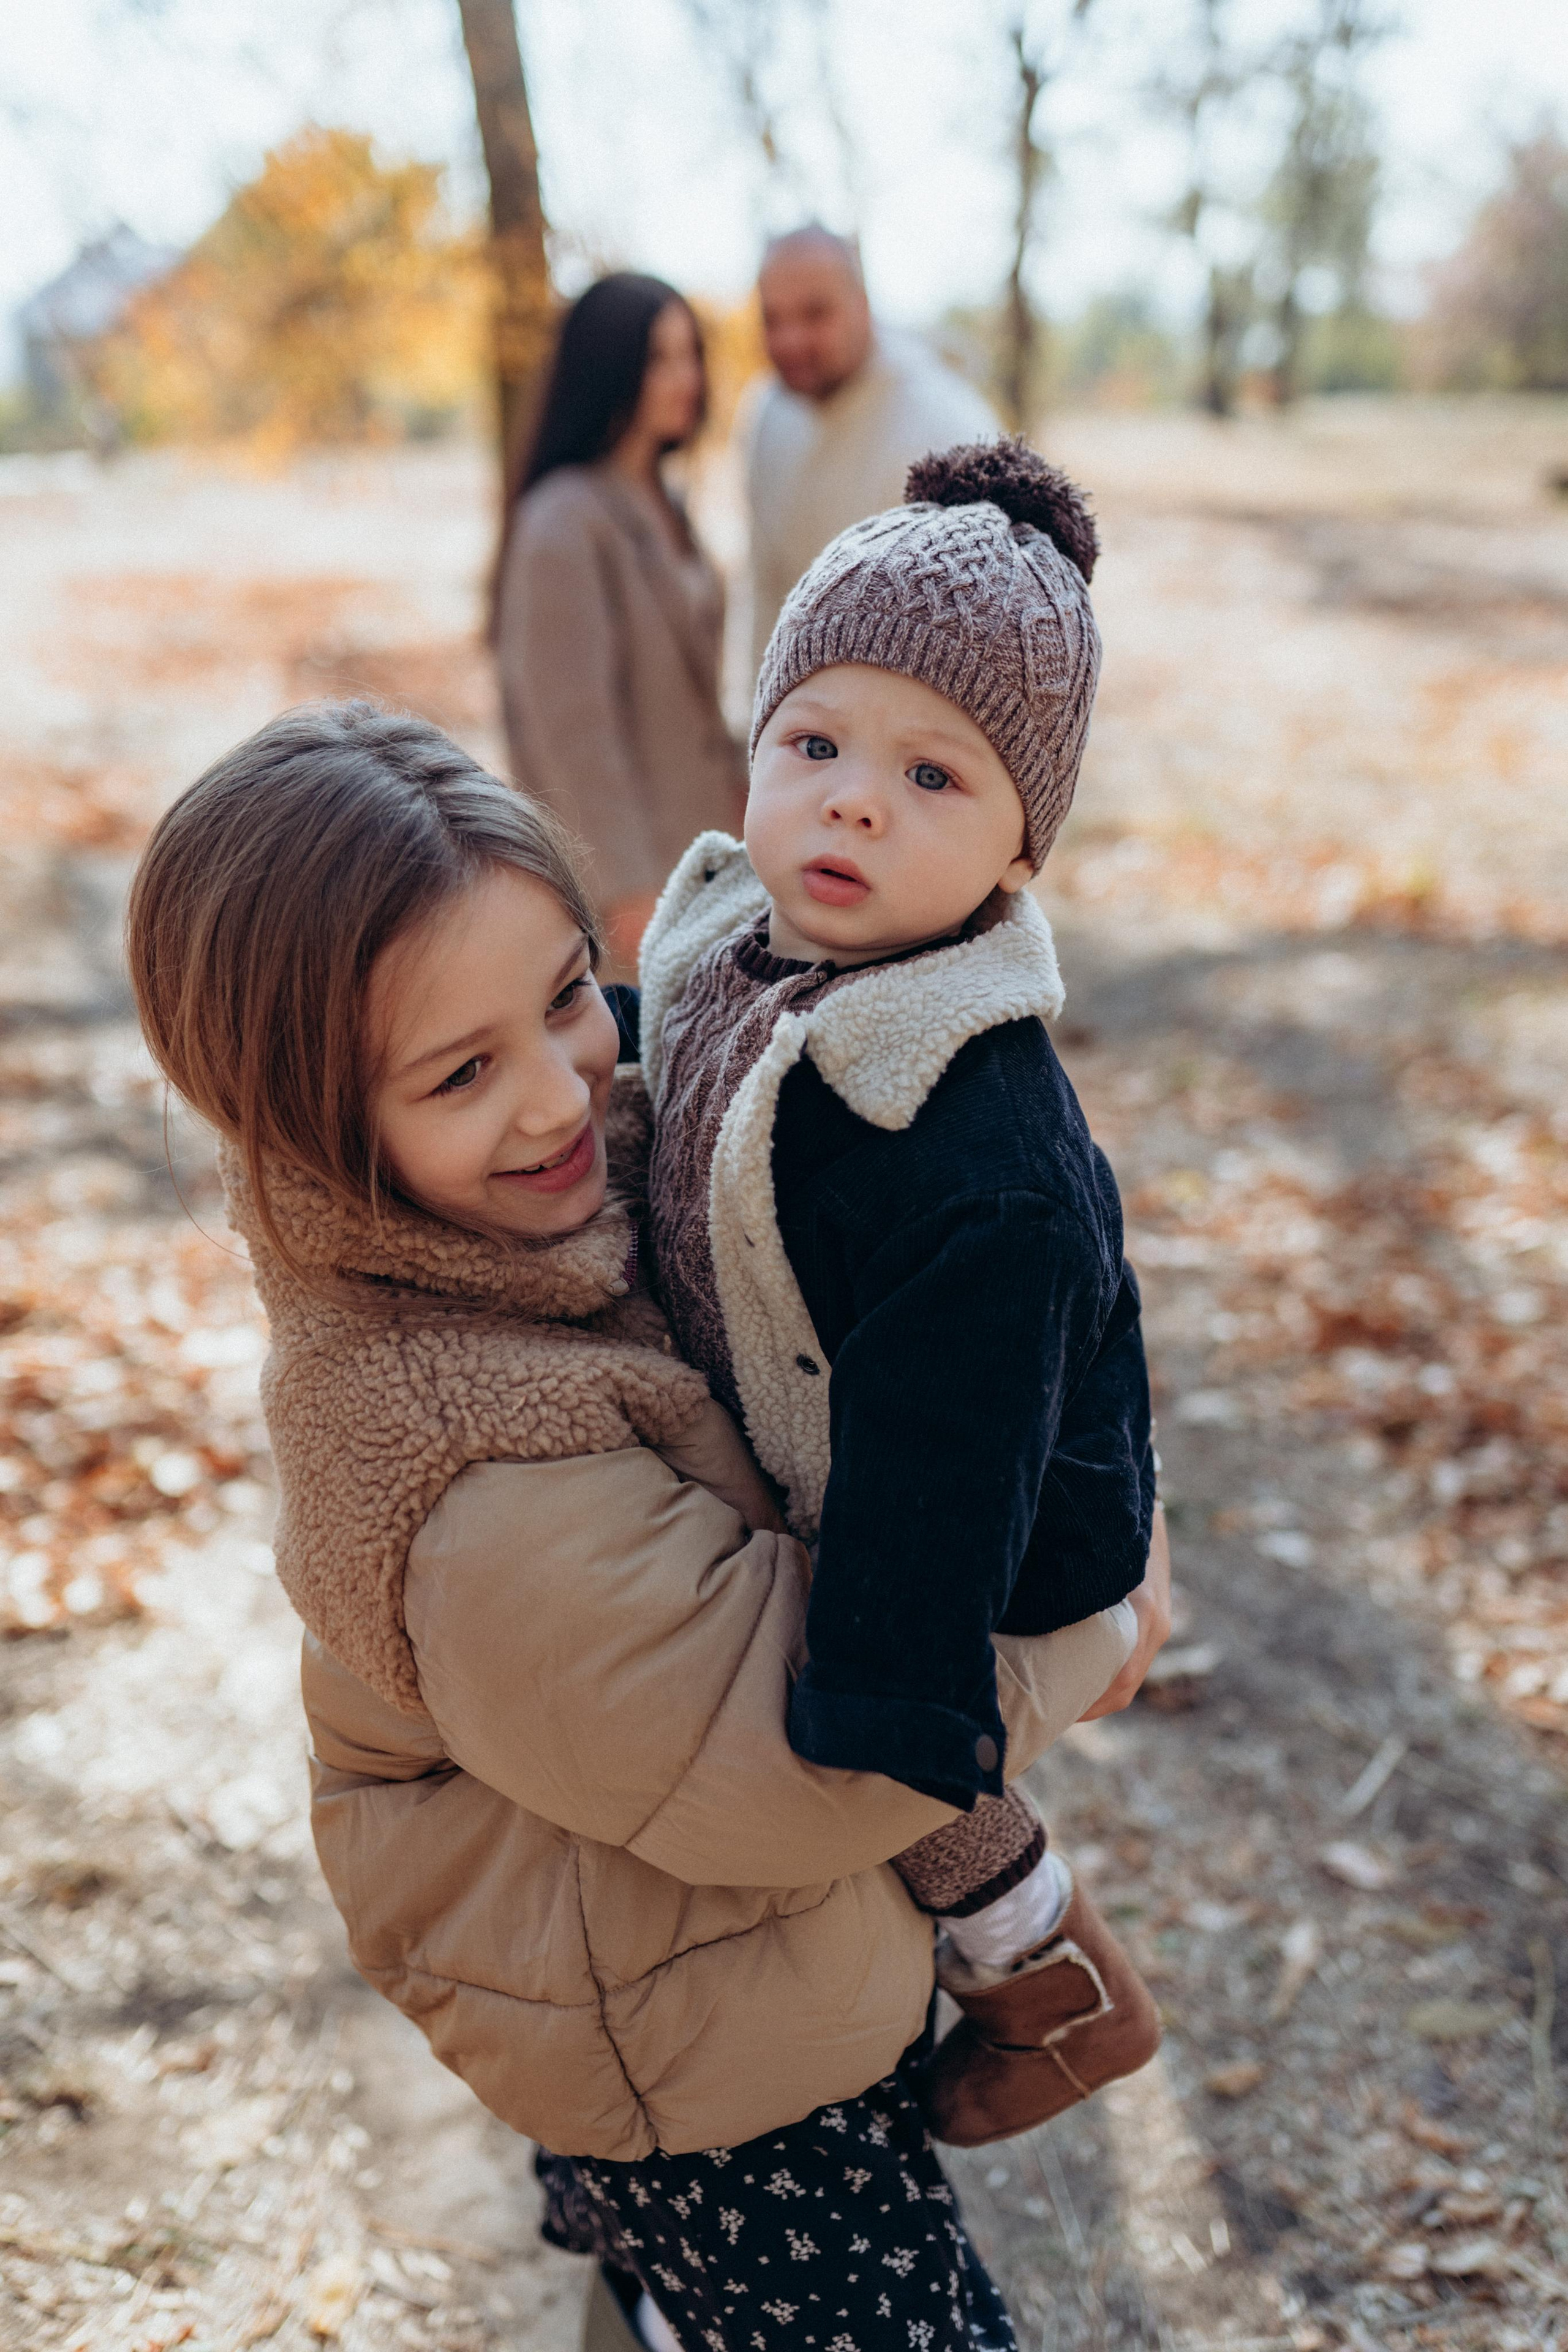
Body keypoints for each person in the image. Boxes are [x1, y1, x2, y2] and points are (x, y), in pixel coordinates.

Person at [124, 699, 1152, 2352]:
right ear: (307, 1119)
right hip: (703, 2074)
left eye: (560, 1002)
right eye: (463, 1073)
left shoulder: (544, 1183)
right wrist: (1089, 1614)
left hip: (714, 1953)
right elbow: (791, 1758)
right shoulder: (457, 1467)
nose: (562, 1100)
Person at [640, 439, 1169, 2150]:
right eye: (816, 745)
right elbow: (670, 1068)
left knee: (880, 1727)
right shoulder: (742, 939)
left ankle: (1046, 1982)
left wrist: (875, 1713)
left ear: (1023, 854)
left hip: (998, 1498)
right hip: (839, 1374)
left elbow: (942, 1464)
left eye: (936, 777)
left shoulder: (976, 1146)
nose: (854, 799)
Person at [496, 273, 745, 974]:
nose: (685, 378)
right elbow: (570, 724)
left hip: (707, 849)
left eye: (689, 354)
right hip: (637, 880)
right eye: (659, 359)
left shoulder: (663, 501)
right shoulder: (564, 518)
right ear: (609, 368)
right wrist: (622, 888)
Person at [745, 227, 998, 680]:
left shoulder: (947, 424)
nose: (790, 340)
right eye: (772, 318)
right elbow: (764, 586)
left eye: (815, 313)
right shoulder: (766, 414)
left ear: (862, 305)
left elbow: (986, 627)